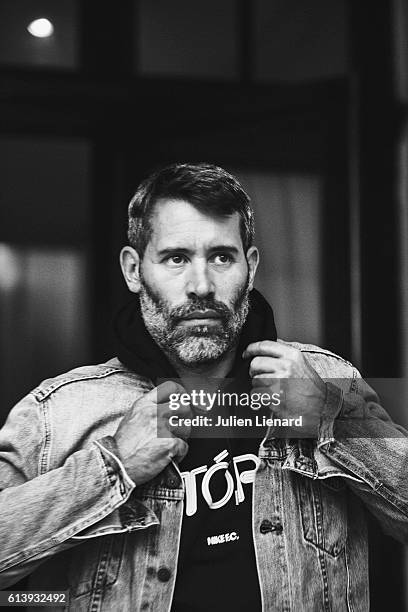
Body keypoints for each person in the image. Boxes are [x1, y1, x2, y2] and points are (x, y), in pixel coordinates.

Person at [0, 163, 407, 612]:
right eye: (176, 258)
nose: (201, 286)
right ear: (134, 270)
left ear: (250, 267)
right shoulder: (60, 412)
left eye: (221, 257)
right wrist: (113, 467)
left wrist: (331, 417)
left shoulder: (327, 379)